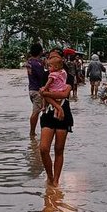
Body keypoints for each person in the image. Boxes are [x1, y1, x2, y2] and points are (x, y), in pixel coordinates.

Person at [38, 51, 73, 186]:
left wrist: (47, 94)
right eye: (50, 57)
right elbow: (43, 94)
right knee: (43, 148)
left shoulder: (68, 76)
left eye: (54, 57)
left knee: (59, 149)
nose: (51, 59)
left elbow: (64, 94)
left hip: (64, 115)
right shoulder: (46, 75)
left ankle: (56, 181)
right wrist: (58, 107)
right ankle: (50, 176)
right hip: (49, 113)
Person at [26, 42, 48, 137]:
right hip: (37, 90)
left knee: (38, 110)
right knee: (36, 111)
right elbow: (42, 77)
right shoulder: (38, 64)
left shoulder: (29, 62)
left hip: (31, 89)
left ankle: (36, 131)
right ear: (40, 52)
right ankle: (32, 132)